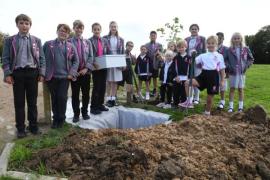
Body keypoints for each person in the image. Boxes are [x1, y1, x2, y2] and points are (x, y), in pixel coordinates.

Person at [1, 14, 45, 138]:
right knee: (19, 103)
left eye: (27, 23)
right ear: (17, 25)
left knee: (32, 102)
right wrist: (8, 73)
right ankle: (20, 129)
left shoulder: (37, 40)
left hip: (32, 73)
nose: (24, 26)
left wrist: (42, 73)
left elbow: (42, 58)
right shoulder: (10, 40)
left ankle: (33, 126)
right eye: (21, 23)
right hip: (18, 74)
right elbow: (5, 59)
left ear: (30, 25)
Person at [43, 24, 79, 128]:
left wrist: (71, 73)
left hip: (65, 78)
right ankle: (55, 120)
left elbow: (76, 61)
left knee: (62, 98)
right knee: (54, 98)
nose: (63, 33)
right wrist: (43, 73)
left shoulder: (71, 46)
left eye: (66, 32)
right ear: (57, 31)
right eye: (61, 31)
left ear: (68, 34)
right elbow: (42, 59)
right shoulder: (48, 44)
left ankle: (62, 119)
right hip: (52, 77)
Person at [179, 36, 226, 115]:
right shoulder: (203, 55)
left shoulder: (219, 56)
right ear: (206, 44)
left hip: (213, 76)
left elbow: (222, 69)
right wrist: (192, 55)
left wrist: (222, 80)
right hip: (203, 75)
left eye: (212, 43)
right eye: (208, 43)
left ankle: (207, 113)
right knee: (187, 83)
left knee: (209, 99)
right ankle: (189, 101)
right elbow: (192, 61)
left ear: (216, 44)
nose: (210, 45)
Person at [69, 20, 93, 122]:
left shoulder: (87, 42)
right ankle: (76, 114)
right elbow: (68, 58)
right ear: (73, 28)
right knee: (75, 94)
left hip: (85, 73)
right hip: (75, 74)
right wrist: (72, 71)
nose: (79, 29)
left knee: (86, 94)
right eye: (77, 27)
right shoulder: (69, 42)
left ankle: (84, 112)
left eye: (81, 28)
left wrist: (86, 68)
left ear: (83, 29)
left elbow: (91, 57)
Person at [225, 32, 254, 112]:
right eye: (235, 38)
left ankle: (240, 107)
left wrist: (246, 66)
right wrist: (229, 67)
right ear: (232, 40)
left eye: (238, 38)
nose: (237, 40)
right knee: (232, 89)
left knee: (241, 89)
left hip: (241, 73)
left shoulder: (246, 48)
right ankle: (231, 106)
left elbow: (251, 59)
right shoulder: (229, 49)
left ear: (241, 39)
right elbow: (225, 60)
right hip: (232, 73)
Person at [89, 23, 109, 115]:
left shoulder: (104, 40)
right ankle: (94, 107)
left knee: (103, 86)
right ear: (92, 30)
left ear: (100, 30)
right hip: (95, 67)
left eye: (98, 29)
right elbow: (89, 53)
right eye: (95, 29)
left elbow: (107, 52)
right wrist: (93, 63)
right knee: (96, 87)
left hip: (104, 66)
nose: (96, 31)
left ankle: (100, 104)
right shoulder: (89, 41)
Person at [103, 21, 125, 107]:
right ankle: (108, 99)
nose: (113, 28)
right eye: (112, 26)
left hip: (117, 61)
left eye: (115, 27)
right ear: (109, 27)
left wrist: (123, 63)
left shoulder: (121, 39)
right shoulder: (105, 38)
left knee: (115, 81)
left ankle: (113, 99)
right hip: (108, 60)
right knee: (108, 81)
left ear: (117, 28)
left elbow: (122, 52)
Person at [185, 24, 206, 105]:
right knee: (189, 78)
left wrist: (202, 61)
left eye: (195, 29)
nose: (194, 30)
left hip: (198, 62)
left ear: (198, 30)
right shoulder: (186, 39)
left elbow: (204, 51)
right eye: (192, 29)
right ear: (190, 30)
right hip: (188, 61)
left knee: (196, 79)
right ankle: (190, 97)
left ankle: (196, 97)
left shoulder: (202, 39)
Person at [172, 40, 191, 108]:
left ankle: (183, 104)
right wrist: (175, 76)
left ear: (186, 47)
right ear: (177, 48)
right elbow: (173, 68)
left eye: (182, 47)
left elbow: (191, 69)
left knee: (184, 93)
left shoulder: (189, 58)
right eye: (179, 47)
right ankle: (175, 104)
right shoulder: (175, 58)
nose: (181, 49)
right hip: (177, 78)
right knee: (176, 92)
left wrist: (189, 78)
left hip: (185, 78)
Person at [145, 31, 163, 97]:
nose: (153, 37)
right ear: (150, 36)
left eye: (154, 35)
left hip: (156, 64)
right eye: (152, 35)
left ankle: (155, 89)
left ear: (156, 37)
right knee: (148, 78)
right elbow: (145, 54)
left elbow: (161, 54)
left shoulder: (159, 45)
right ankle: (148, 90)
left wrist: (158, 55)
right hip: (149, 64)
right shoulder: (146, 45)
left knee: (155, 78)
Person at [216, 32, 228, 109]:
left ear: (223, 39)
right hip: (213, 71)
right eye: (217, 38)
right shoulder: (212, 48)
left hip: (223, 70)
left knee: (222, 86)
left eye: (220, 38)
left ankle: (222, 101)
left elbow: (228, 60)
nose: (219, 39)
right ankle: (210, 101)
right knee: (213, 85)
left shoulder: (226, 49)